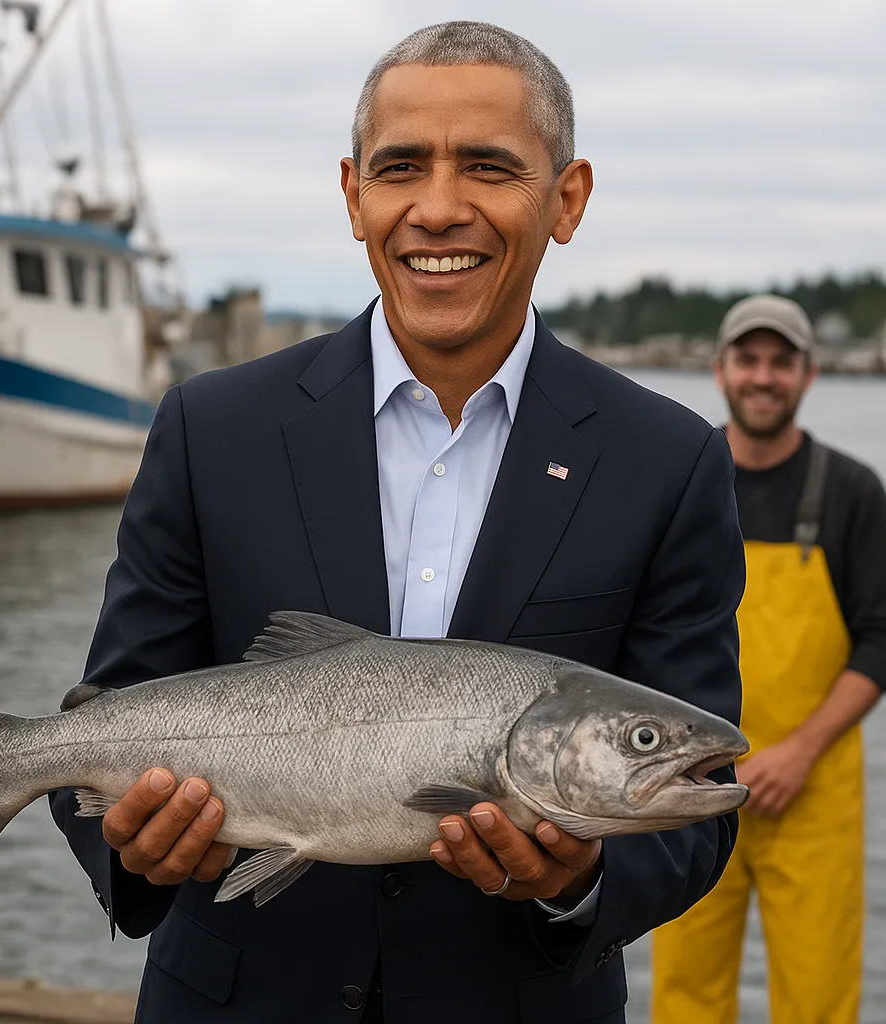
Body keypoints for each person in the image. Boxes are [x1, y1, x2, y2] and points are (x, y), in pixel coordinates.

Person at [51, 21, 747, 1023]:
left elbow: (695, 812)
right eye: (401, 167)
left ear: (567, 198)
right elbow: (115, 707)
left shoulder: (668, 460)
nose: (437, 208)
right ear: (352, 195)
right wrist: (134, 843)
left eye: (489, 167)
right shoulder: (212, 426)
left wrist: (574, 879)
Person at [650, 295, 886, 1024]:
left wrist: (799, 753)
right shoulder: (679, 483)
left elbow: (879, 638)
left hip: (810, 794)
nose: (763, 376)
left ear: (808, 375)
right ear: (719, 371)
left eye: (781, 361)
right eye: (747, 359)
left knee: (819, 998)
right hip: (681, 793)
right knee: (685, 996)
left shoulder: (852, 492)